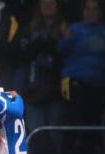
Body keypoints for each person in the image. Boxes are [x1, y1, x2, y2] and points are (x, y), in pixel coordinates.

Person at [58, 0, 105, 126]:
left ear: (100, 12)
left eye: (95, 9)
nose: (91, 12)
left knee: (95, 119)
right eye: (88, 9)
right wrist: (66, 37)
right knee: (75, 117)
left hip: (100, 83)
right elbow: (61, 50)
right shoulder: (74, 29)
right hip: (74, 82)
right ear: (83, 12)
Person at [18, 0, 67, 132]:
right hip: (33, 87)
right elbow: (22, 55)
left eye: (51, 3)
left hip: (57, 86)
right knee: (35, 130)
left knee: (55, 131)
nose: (48, 6)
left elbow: (67, 55)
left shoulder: (66, 29)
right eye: (44, 3)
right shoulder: (29, 29)